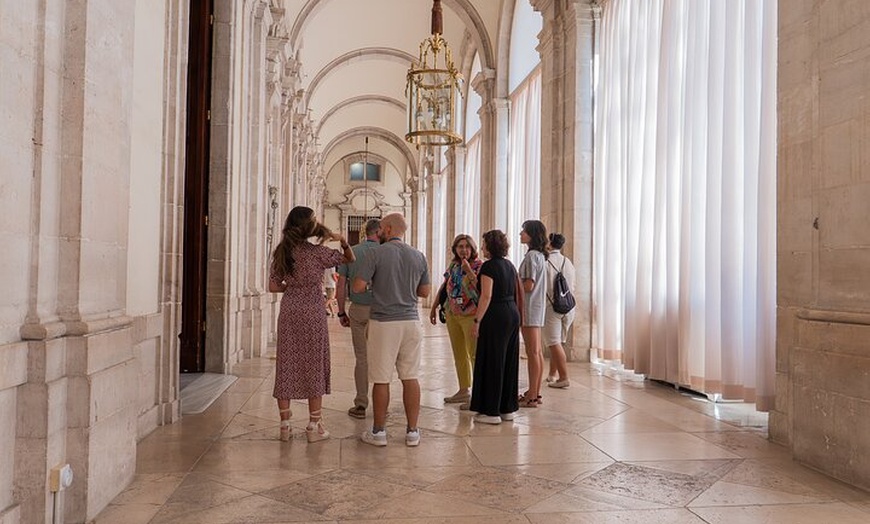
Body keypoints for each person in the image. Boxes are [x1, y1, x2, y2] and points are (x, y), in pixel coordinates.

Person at [268, 206, 354, 443]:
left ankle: (285, 425)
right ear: (310, 226)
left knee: (287, 363)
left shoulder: (282, 251)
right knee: (314, 364)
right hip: (313, 312)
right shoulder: (317, 253)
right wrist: (343, 241)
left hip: (290, 310)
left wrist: (292, 288)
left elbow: (273, 286)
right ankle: (313, 426)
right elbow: (349, 259)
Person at [353, 213, 430, 447]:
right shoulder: (418, 255)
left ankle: (379, 432)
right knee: (410, 376)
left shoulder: (376, 252)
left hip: (384, 322)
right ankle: (413, 432)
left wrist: (377, 285)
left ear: (386, 229)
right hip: (411, 321)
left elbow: (357, 287)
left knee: (381, 378)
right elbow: (425, 292)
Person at [469, 230, 522, 424]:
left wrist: (477, 321)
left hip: (496, 314)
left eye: (484, 244)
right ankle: (507, 408)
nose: (482, 247)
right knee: (508, 360)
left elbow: (487, 295)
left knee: (492, 359)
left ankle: (491, 411)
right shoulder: (509, 265)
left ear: (490, 246)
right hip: (511, 312)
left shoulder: (489, 266)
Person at [336, 218, 381, 419]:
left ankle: (361, 404)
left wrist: (340, 311)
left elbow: (340, 285)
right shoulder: (386, 252)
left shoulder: (351, 252)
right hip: (382, 311)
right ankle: (382, 405)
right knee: (382, 358)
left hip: (359, 309)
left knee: (361, 358)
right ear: (380, 232)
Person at [429, 234, 482, 405]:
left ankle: (479, 394)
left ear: (472, 249)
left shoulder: (479, 266)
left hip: (471, 315)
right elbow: (445, 286)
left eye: (467, 247)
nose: (463, 250)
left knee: (473, 354)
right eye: (460, 246)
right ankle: (463, 389)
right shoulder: (453, 266)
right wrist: (434, 306)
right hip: (453, 314)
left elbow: (481, 290)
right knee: (459, 354)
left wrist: (469, 272)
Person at [517, 220, 548, 408]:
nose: (521, 234)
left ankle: (532, 396)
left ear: (532, 235)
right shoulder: (540, 256)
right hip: (537, 307)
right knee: (537, 353)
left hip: (528, 308)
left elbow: (528, 285)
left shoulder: (531, 257)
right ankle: (534, 392)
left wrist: (511, 284)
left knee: (532, 352)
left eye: (524, 231)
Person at [544, 233, 576, 388]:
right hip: (569, 307)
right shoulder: (567, 262)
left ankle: (564, 378)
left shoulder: (545, 261)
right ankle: (552, 375)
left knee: (553, 343)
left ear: (549, 244)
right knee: (558, 342)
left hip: (552, 308)